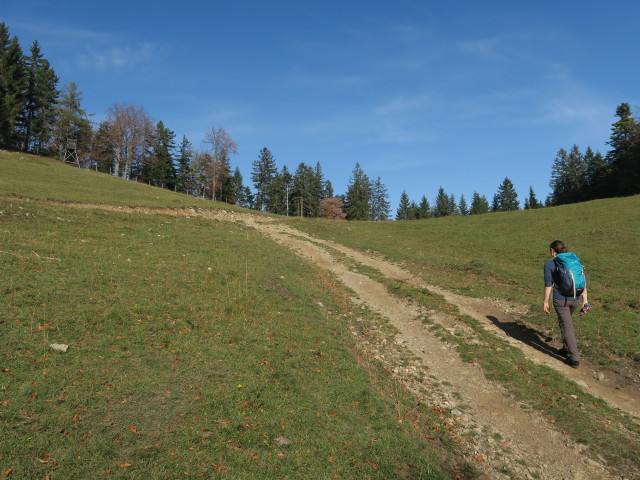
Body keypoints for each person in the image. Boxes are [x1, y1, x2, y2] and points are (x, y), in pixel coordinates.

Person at [543, 240, 590, 368]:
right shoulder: (574, 260)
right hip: (576, 298)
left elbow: (548, 285)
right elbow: (583, 280)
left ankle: (574, 358)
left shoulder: (549, 264)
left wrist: (545, 301)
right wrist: (585, 301)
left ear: (552, 250)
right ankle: (566, 348)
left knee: (567, 326)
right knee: (564, 322)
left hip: (561, 300)